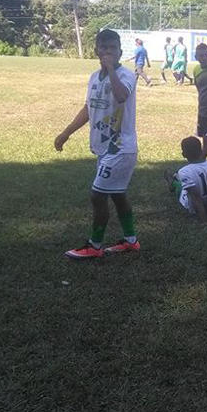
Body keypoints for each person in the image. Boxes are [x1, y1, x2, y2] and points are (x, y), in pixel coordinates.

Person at [55, 29, 140, 259]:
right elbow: (88, 109)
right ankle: (131, 241)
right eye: (103, 48)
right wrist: (66, 133)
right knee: (117, 195)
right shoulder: (94, 77)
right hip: (103, 149)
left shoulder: (126, 75)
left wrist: (111, 68)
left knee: (97, 195)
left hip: (121, 148)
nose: (108, 52)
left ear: (120, 52)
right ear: (96, 51)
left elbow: (121, 96)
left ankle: (95, 245)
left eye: (112, 48)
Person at [165, 136, 207, 221]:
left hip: (195, 207)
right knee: (188, 183)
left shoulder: (184, 171)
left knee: (181, 188)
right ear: (201, 151)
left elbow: (195, 197)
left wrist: (204, 219)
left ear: (183, 154)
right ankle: (173, 180)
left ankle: (173, 183)